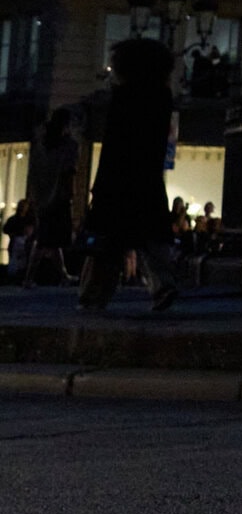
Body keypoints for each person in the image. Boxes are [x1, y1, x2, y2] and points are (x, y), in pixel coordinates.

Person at [77, 39, 183, 312]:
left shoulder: (122, 98)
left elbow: (113, 144)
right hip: (147, 176)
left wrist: (100, 185)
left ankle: (93, 295)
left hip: (117, 178)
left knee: (107, 241)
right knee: (152, 237)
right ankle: (162, 285)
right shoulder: (161, 97)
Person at [25, 108, 79, 287]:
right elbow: (68, 172)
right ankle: (29, 277)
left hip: (43, 196)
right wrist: (70, 194)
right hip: (58, 196)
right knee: (45, 239)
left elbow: (34, 171)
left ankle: (62, 274)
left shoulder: (42, 144)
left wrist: (34, 196)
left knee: (50, 238)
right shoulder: (68, 146)